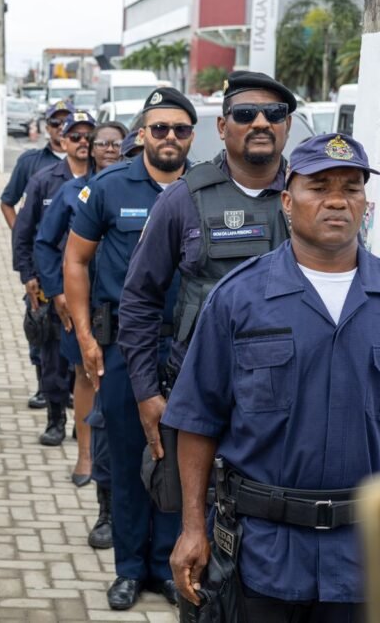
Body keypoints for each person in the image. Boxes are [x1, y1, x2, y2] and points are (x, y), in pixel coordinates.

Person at [166, 134, 379, 621]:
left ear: (366, 205)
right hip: (265, 554)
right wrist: (193, 527)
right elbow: (198, 420)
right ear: (287, 201)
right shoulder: (238, 299)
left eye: (351, 188)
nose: (335, 201)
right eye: (318, 186)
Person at [119, 71, 295, 472]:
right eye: (246, 113)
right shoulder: (183, 199)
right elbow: (140, 298)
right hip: (204, 397)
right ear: (222, 126)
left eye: (274, 113)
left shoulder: (310, 193)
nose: (261, 123)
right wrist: (146, 392)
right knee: (191, 523)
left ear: (286, 124)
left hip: (292, 399)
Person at [63, 88, 197, 610]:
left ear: (191, 136)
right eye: (158, 128)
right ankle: (128, 568)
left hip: (189, 348)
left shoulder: (205, 189)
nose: (168, 138)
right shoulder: (110, 187)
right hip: (124, 345)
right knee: (124, 457)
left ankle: (167, 562)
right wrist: (85, 335)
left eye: (180, 129)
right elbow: (76, 261)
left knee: (181, 454)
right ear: (141, 133)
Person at [35, 121, 128, 547]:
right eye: (100, 143)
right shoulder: (76, 193)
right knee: (86, 376)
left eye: (115, 142)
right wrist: (55, 291)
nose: (107, 148)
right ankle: (86, 455)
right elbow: (44, 242)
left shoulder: (137, 190)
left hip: (129, 309)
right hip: (83, 304)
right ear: (90, 150)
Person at [14, 111, 96, 436]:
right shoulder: (45, 180)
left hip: (89, 287)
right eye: (75, 137)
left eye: (88, 136)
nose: (82, 143)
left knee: (83, 358)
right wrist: (29, 276)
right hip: (51, 285)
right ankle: (55, 420)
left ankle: (83, 424)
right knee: (51, 357)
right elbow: (25, 233)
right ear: (63, 141)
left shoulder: (101, 181)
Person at [0, 101, 74, 229]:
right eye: (55, 122)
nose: (61, 126)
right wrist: (20, 238)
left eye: (67, 122)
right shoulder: (29, 161)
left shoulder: (89, 162)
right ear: (47, 128)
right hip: (41, 247)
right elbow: (7, 203)